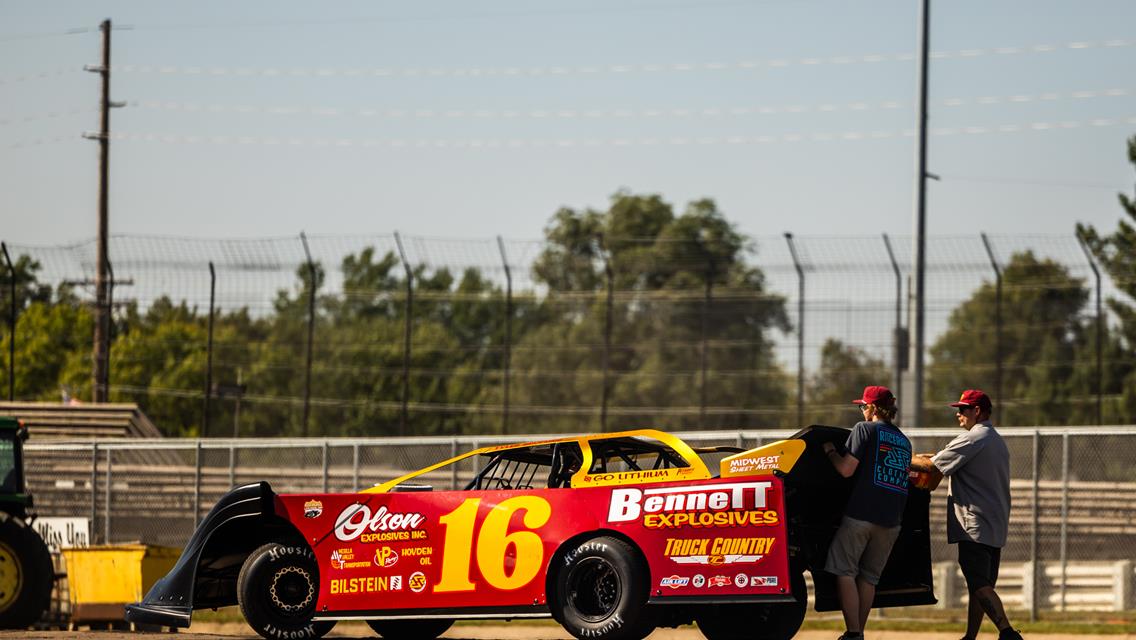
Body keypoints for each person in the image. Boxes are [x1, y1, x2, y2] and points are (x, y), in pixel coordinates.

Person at [910, 389, 1023, 640]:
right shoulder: (994, 438)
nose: (959, 415)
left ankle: (1007, 632)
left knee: (979, 584)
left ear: (977, 411)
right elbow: (938, 460)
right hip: (994, 524)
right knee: (980, 586)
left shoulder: (974, 437)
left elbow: (931, 466)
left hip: (974, 525)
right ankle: (970, 637)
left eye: (963, 410)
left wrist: (899, 457)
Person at [822, 385, 912, 640]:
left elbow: (846, 470)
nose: (862, 410)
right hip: (892, 521)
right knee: (869, 578)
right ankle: (858, 632)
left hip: (861, 514)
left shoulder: (864, 429)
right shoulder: (904, 441)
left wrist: (829, 451)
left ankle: (852, 633)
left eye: (863, 406)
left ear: (872, 408)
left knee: (844, 571)